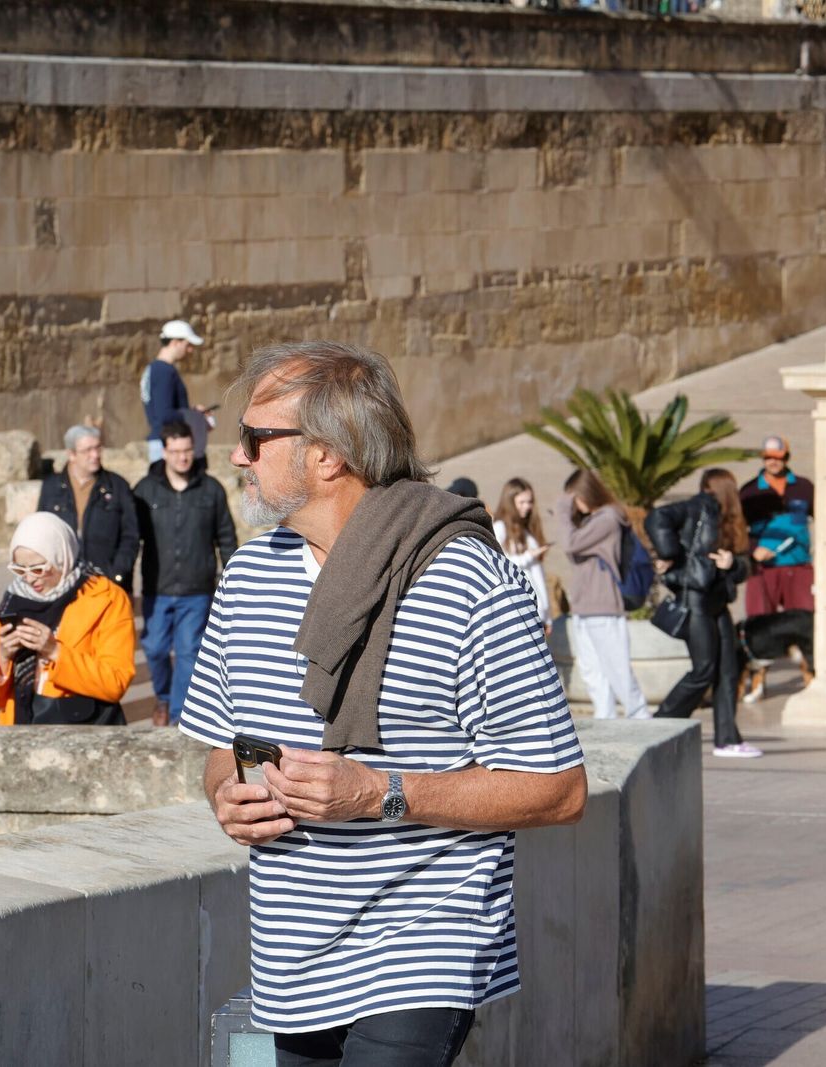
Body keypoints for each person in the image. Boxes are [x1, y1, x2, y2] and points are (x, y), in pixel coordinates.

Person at [179, 340, 587, 1066]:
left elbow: (557, 788)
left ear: (327, 456)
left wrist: (376, 792)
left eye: (253, 438)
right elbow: (219, 747)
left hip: (422, 941)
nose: (236, 457)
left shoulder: (469, 582)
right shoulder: (247, 575)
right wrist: (226, 795)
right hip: (292, 949)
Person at [0, 512, 136, 725]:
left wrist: (55, 652)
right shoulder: (14, 601)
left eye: (38, 568)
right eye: (19, 569)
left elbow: (115, 682)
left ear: (62, 558)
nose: (29, 578)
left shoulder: (107, 598)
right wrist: (3, 659)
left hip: (82, 729)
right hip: (20, 730)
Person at [645, 468, 760, 757]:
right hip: (695, 599)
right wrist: (669, 553)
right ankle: (658, 725)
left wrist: (731, 564)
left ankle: (727, 739)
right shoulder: (701, 505)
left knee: (727, 670)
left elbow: (747, 565)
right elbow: (657, 518)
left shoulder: (730, 520)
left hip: (718, 602)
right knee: (704, 669)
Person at [133, 419, 238, 727]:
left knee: (189, 650)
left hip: (197, 589)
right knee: (154, 648)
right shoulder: (145, 490)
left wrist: (231, 580)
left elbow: (227, 537)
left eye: (188, 450)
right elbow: (129, 537)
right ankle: (163, 698)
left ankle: (179, 714)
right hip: (157, 588)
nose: (183, 457)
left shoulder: (211, 490)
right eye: (176, 450)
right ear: (164, 451)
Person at [553, 470, 651, 720]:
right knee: (593, 671)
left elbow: (569, 543)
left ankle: (642, 719)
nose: (573, 505)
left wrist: (563, 509)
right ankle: (605, 719)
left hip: (604, 606)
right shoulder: (594, 521)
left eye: (574, 498)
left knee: (618, 669)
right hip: (585, 608)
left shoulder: (608, 520)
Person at [37, 425, 139, 593]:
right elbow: (41, 534)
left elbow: (131, 537)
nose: (95, 455)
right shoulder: (51, 488)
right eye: (88, 450)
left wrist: (117, 573)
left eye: (98, 448)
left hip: (108, 584)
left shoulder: (118, 487)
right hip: (62, 586)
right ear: (72, 454)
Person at [739, 435, 816, 618]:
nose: (773, 462)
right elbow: (737, 529)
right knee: (761, 623)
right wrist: (753, 550)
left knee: (803, 622)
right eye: (768, 457)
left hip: (798, 566)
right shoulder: (749, 491)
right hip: (763, 569)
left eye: (778, 457)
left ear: (786, 457)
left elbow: (825, 519)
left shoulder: (804, 487)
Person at [140, 319, 211, 465]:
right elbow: (164, 414)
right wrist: (194, 414)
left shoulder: (155, 369)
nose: (190, 350)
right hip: (168, 445)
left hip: (163, 443)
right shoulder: (164, 371)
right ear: (175, 342)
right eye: (188, 344)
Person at [492, 477, 551, 626]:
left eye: (530, 502)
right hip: (520, 611)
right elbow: (501, 564)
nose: (527, 506)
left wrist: (547, 615)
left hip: (539, 613)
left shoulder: (527, 530)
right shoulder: (499, 528)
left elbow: (538, 576)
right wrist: (528, 556)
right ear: (510, 502)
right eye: (522, 502)